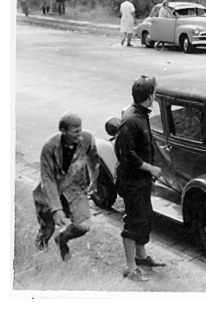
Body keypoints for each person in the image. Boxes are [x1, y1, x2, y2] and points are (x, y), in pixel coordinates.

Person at [115, 75, 165, 281]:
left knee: (144, 216)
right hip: (132, 181)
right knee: (134, 221)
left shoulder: (140, 114)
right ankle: (130, 266)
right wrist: (150, 168)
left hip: (140, 180)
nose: (155, 95)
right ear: (149, 96)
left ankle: (141, 256)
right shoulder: (131, 120)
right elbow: (126, 155)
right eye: (154, 91)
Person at [32, 112, 99, 261]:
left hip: (74, 189)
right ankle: (39, 253)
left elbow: (94, 158)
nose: (79, 134)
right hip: (50, 193)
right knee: (47, 228)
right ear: (63, 131)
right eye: (75, 131)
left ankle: (62, 239)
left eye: (80, 129)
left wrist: (94, 180)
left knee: (83, 226)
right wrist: (56, 209)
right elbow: (47, 179)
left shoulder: (87, 138)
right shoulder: (49, 147)